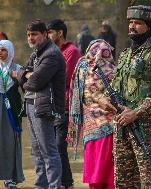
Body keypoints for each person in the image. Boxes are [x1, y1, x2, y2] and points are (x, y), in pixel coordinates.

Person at [98, 5, 151, 188]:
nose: (132, 26)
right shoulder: (125, 55)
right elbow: (116, 87)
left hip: (145, 131)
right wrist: (105, 99)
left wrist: (137, 112)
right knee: (123, 182)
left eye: (138, 23)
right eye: (130, 22)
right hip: (121, 128)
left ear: (149, 26)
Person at [14, 19, 65, 188]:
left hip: (44, 107)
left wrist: (26, 75)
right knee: (37, 152)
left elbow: (34, 82)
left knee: (48, 151)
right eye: (28, 35)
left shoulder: (52, 53)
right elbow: (22, 72)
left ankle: (53, 186)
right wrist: (26, 74)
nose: (31, 38)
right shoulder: (37, 52)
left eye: (34, 34)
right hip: (31, 104)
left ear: (44, 34)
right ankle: (41, 186)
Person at [68, 39, 115, 189]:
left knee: (95, 170)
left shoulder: (81, 68)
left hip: (89, 128)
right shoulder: (112, 69)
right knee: (109, 172)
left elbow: (79, 95)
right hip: (110, 127)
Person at [47, 18, 81, 189]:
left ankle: (67, 182)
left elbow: (64, 79)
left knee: (60, 144)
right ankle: (59, 182)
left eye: (50, 32)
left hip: (66, 106)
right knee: (51, 145)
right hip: (50, 105)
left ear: (60, 33)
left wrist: (43, 77)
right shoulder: (50, 51)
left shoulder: (71, 51)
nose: (48, 36)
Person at [0, 40, 25, 189]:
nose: (0, 52)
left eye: (3, 50)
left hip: (11, 110)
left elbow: (27, 88)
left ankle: (9, 177)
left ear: (10, 51)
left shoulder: (18, 69)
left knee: (10, 142)